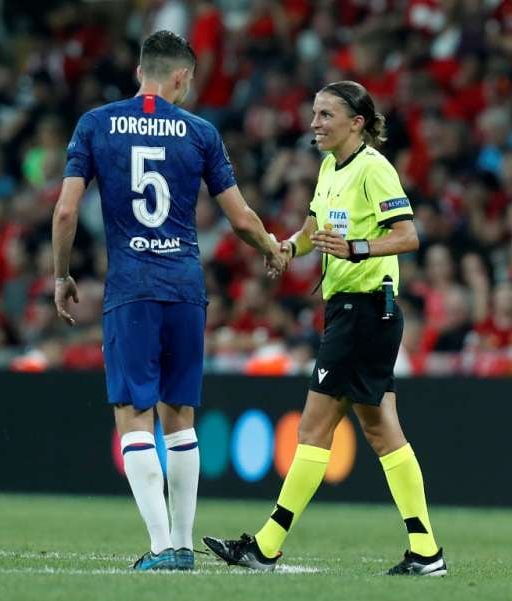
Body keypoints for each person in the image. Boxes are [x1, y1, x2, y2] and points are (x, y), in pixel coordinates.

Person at [52, 30, 285, 572]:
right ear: (181, 77)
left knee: (133, 417)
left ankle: (164, 549)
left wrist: (61, 275)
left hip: (131, 287)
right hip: (184, 285)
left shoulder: (96, 124)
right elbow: (240, 217)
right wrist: (272, 249)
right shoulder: (199, 132)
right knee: (179, 416)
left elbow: (65, 212)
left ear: (140, 72)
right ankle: (183, 541)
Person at [203, 81, 447, 576]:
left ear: (356, 122)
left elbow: (408, 236)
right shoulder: (329, 168)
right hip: (352, 312)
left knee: (314, 428)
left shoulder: (374, 169)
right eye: (314, 113)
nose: (314, 123)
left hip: (364, 311)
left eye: (325, 114)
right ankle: (425, 551)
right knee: (383, 433)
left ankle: (267, 546)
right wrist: (289, 248)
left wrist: (357, 248)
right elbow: (317, 229)